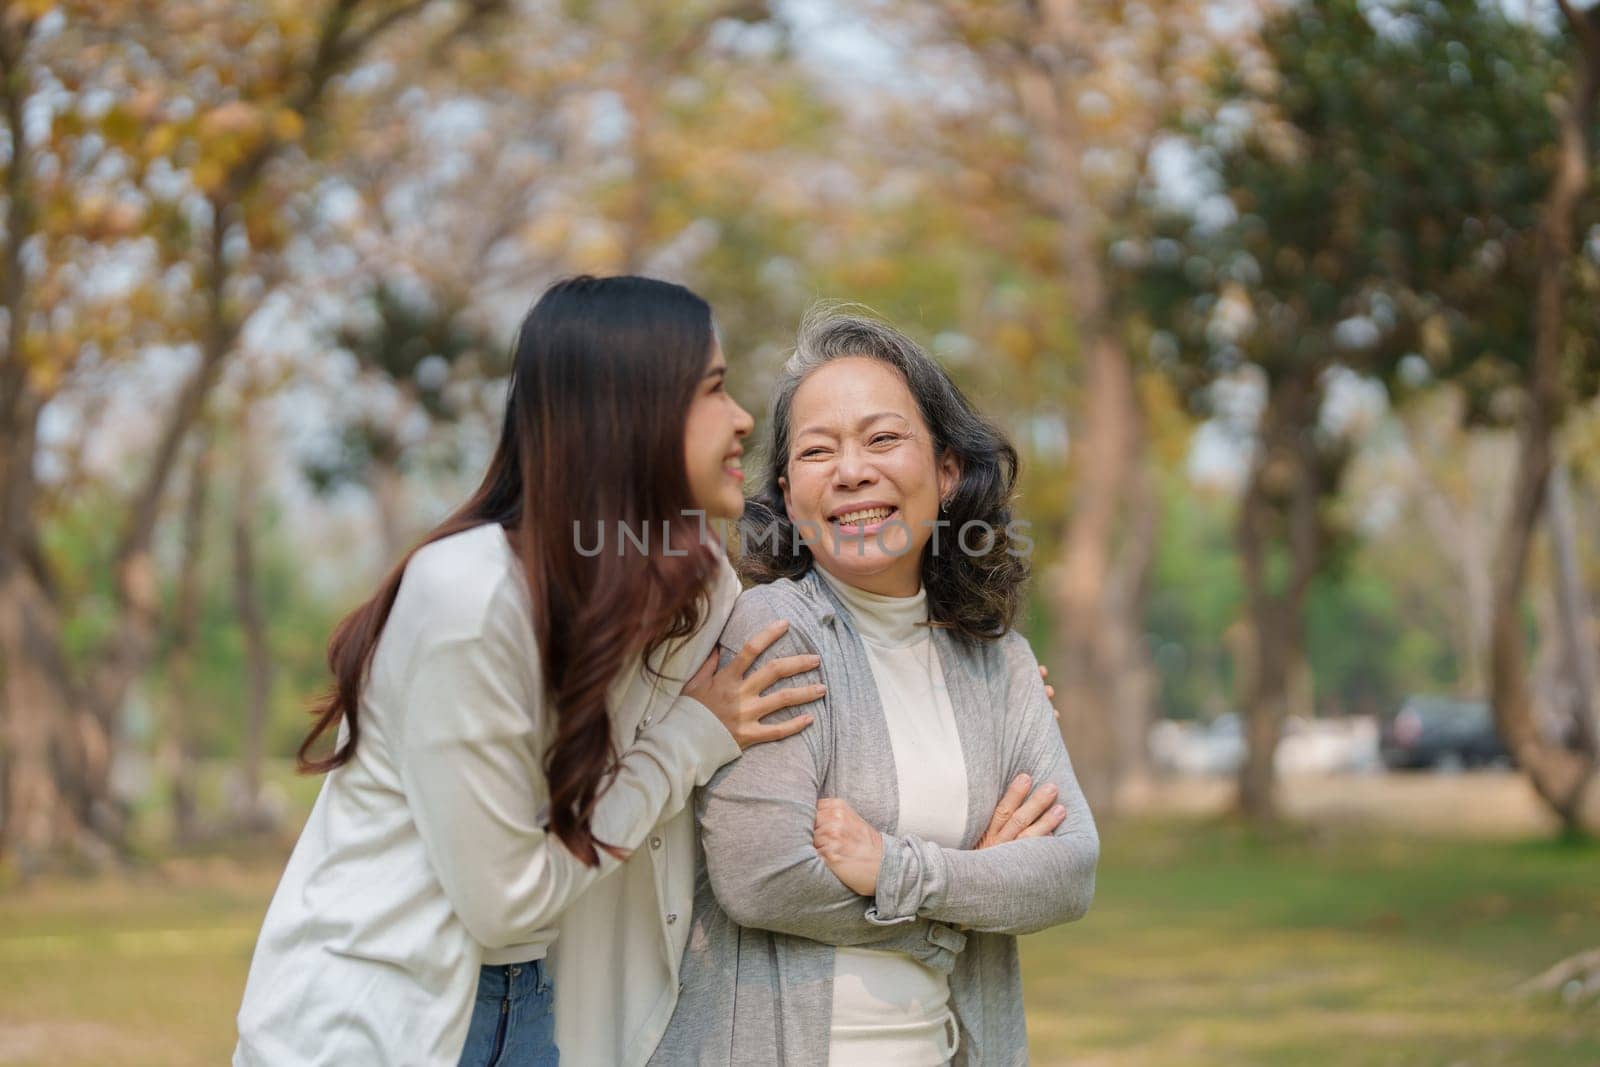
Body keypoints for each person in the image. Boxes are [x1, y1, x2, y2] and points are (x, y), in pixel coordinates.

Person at [234, 276, 822, 1066]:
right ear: (630, 412)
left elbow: (785, 656)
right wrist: (687, 741)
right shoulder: (468, 599)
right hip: (377, 1025)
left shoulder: (682, 584)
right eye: (714, 389)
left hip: (529, 1003)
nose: (744, 417)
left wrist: (967, 675)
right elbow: (506, 903)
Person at [653, 310, 1099, 1066]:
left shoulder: (1002, 662)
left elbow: (1068, 870)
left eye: (883, 438)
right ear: (791, 493)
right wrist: (958, 903)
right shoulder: (772, 630)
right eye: (818, 451)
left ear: (948, 470)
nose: (851, 471)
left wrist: (891, 866)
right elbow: (763, 876)